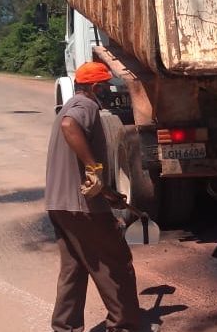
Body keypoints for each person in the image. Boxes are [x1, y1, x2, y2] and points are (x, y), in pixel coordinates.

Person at [45, 61, 141, 332]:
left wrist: (108, 193)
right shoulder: (85, 106)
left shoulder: (67, 104)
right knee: (116, 264)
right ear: (95, 87)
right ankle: (123, 326)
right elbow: (69, 126)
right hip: (82, 208)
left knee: (74, 269)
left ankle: (65, 327)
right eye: (106, 86)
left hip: (59, 204)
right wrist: (94, 168)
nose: (108, 91)